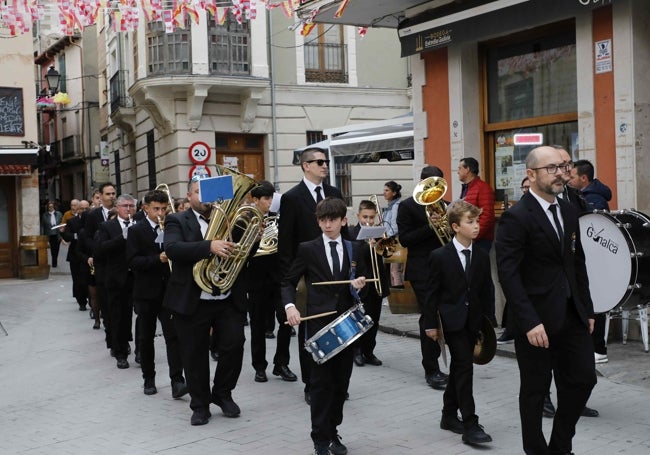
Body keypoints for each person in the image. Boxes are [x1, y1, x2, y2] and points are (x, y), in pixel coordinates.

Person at [495, 146, 597, 455]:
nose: (560, 173)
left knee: (583, 380)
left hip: (572, 313)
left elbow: (576, 263)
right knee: (535, 391)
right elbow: (508, 275)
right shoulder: (516, 217)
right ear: (531, 174)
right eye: (551, 168)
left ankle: (560, 445)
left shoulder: (568, 209)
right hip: (536, 321)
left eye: (563, 167)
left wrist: (587, 308)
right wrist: (529, 321)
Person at [282, 197, 368, 455]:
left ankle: (332, 431)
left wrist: (358, 286)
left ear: (344, 221)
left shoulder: (356, 249)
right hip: (319, 325)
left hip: (347, 325)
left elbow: (361, 284)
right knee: (320, 385)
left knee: (341, 384)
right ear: (318, 221)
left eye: (333, 220)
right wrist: (291, 307)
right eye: (323, 220)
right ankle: (320, 439)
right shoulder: (308, 249)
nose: (328, 225)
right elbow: (288, 281)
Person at [163, 177, 246, 426]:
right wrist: (209, 245)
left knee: (234, 345)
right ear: (189, 196)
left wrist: (252, 238)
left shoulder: (230, 220)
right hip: (193, 299)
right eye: (199, 192)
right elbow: (173, 248)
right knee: (194, 354)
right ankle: (200, 404)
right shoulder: (177, 220)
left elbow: (243, 253)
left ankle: (222, 393)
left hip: (225, 297)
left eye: (208, 192)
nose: (204, 197)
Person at [277, 147, 346, 404]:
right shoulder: (292, 197)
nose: (325, 165)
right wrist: (291, 284)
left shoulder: (334, 193)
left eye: (326, 161)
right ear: (306, 166)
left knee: (338, 323)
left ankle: (338, 380)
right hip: (306, 274)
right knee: (310, 331)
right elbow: (286, 243)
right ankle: (311, 383)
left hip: (336, 270)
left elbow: (344, 234)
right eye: (319, 161)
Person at [424, 200, 493, 445]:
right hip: (451, 322)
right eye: (470, 222)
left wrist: (489, 323)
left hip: (473, 322)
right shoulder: (439, 256)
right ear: (455, 227)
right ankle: (470, 424)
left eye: (476, 221)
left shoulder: (482, 256)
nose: (476, 226)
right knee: (464, 366)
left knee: (459, 368)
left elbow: (487, 289)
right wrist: (430, 324)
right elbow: (431, 293)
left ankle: (448, 415)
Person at [126, 189, 188, 398]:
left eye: (163, 209)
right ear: (145, 209)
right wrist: (157, 259)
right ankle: (149, 378)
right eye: (156, 209)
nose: (160, 213)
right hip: (146, 292)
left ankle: (177, 381)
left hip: (170, 291)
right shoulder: (137, 231)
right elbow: (133, 262)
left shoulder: (172, 227)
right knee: (146, 337)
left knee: (174, 336)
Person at [396, 165, 449, 390]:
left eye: (438, 185)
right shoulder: (407, 206)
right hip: (421, 269)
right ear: (421, 182)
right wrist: (430, 226)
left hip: (444, 267)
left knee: (444, 315)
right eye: (431, 184)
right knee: (429, 316)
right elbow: (406, 239)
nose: (435, 191)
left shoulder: (446, 205)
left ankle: (445, 361)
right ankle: (431, 368)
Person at [245, 181, 296, 383]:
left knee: (285, 321)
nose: (270, 202)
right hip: (256, 280)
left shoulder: (279, 218)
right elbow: (240, 253)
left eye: (271, 198)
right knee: (257, 324)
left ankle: (281, 364)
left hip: (280, 278)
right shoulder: (246, 220)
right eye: (266, 199)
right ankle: (259, 366)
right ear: (256, 200)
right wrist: (254, 238)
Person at [94, 194, 137, 369]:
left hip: (136, 276)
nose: (128, 209)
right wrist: (123, 237)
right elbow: (101, 249)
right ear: (117, 208)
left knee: (132, 315)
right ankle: (120, 352)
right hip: (116, 278)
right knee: (117, 315)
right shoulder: (107, 226)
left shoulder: (139, 224)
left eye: (131, 206)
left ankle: (131, 344)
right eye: (125, 206)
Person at [350, 199, 389, 367]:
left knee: (374, 320)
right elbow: (354, 253)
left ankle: (369, 351)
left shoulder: (378, 232)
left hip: (377, 282)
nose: (368, 220)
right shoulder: (352, 233)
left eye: (372, 217)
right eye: (365, 216)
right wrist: (368, 246)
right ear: (358, 215)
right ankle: (356, 351)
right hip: (361, 284)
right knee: (360, 319)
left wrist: (384, 242)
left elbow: (388, 253)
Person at [496, 176, 530, 345]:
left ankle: (510, 330)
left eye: (528, 187)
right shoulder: (520, 208)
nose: (525, 190)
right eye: (523, 187)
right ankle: (509, 329)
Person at [83, 183, 117, 348]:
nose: (111, 196)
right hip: (102, 265)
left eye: (113, 193)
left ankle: (122, 339)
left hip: (120, 264)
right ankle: (110, 335)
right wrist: (96, 250)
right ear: (101, 196)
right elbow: (87, 237)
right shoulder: (93, 215)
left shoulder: (122, 211)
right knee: (105, 302)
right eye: (108, 194)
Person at [457, 157, 495, 252]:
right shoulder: (467, 187)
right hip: (468, 239)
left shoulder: (483, 188)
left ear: (467, 169)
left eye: (460, 168)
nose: (458, 172)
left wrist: (473, 237)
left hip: (479, 240)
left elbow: (487, 217)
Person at [60, 199, 90, 311]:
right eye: (82, 208)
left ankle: (92, 301)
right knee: (78, 280)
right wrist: (77, 236)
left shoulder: (93, 220)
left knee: (90, 280)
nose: (84, 210)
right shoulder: (72, 221)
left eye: (87, 208)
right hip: (75, 255)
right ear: (78, 209)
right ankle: (81, 302)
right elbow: (67, 236)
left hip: (89, 255)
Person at [382, 180, 404, 287]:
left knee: (395, 270)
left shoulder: (396, 206)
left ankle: (398, 294)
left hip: (394, 241)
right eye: (384, 190)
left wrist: (385, 236)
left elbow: (395, 227)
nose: (384, 192)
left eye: (387, 190)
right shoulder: (389, 206)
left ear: (394, 193)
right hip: (389, 240)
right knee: (390, 270)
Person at [41, 201, 63, 268]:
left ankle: (55, 259)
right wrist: (43, 236)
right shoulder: (45, 215)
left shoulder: (59, 214)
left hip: (57, 234)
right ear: (47, 207)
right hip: (50, 234)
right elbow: (43, 226)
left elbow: (62, 223)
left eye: (52, 206)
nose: (51, 208)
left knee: (57, 248)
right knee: (53, 248)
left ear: (54, 207)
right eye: (49, 207)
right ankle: (54, 262)